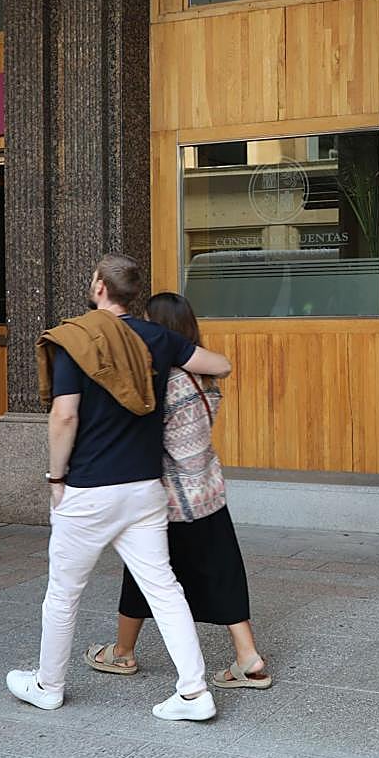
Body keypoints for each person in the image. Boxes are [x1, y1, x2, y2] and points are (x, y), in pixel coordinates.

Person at [6, 254, 232, 721]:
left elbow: (64, 415)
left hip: (89, 488)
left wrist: (55, 477)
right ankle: (193, 693)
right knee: (165, 590)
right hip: (145, 489)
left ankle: (48, 685)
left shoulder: (76, 340)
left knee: (64, 593)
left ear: (100, 289)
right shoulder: (160, 337)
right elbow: (221, 366)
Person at [84, 292, 270, 690]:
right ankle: (247, 655)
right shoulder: (203, 374)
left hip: (170, 496)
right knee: (223, 571)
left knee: (142, 572)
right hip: (208, 488)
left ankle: (122, 652)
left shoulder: (164, 379)